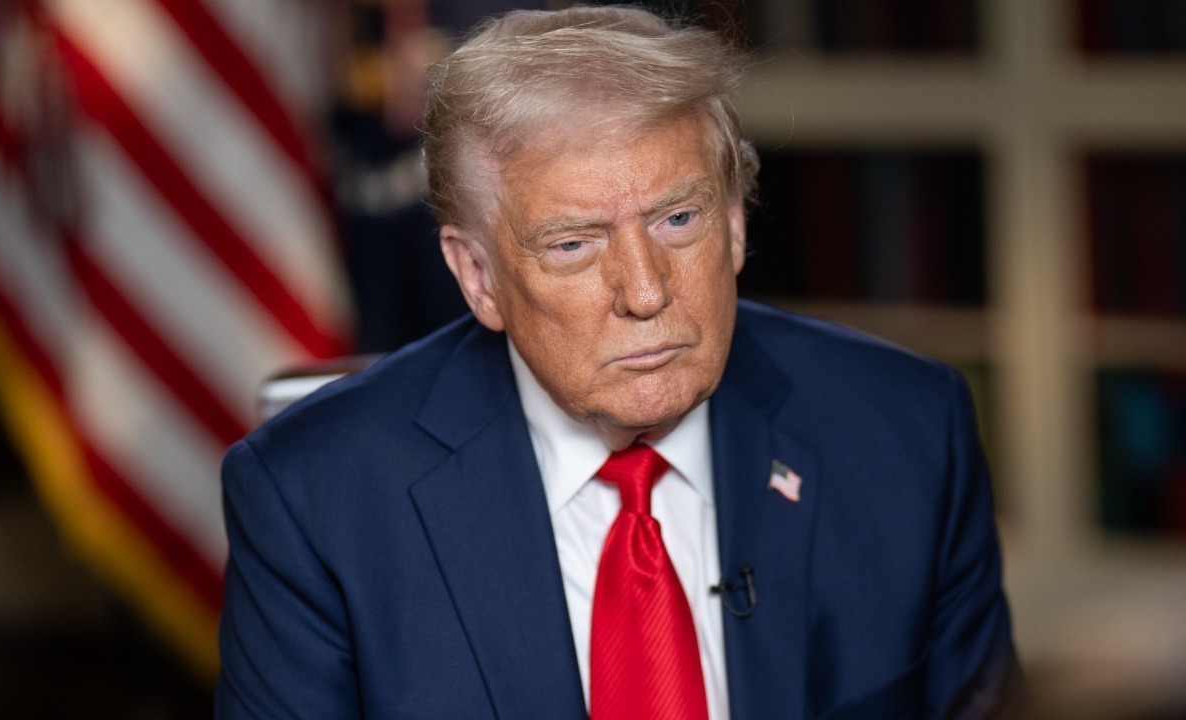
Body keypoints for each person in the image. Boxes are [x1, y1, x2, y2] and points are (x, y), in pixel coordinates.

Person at [214, 6, 1021, 719]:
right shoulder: (315, 498)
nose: (644, 292)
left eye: (678, 219)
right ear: (479, 277)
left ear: (736, 225)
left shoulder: (909, 433)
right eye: (573, 244)